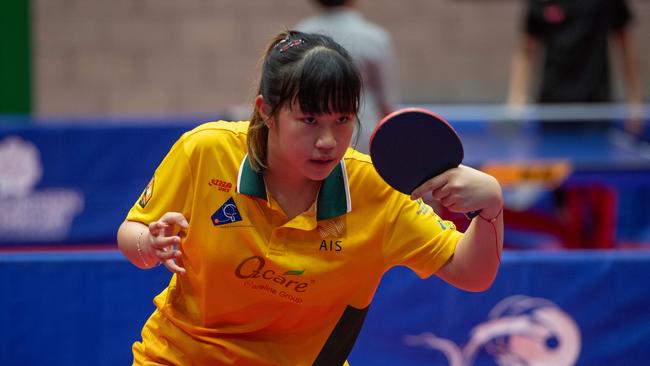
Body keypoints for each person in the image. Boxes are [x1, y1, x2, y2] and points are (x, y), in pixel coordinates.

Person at [117, 30, 503, 365]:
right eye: (309, 120)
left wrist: (489, 210)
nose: (327, 141)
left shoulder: (377, 191)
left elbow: (472, 273)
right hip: (179, 358)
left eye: (342, 120)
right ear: (266, 112)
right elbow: (132, 231)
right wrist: (148, 244)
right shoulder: (205, 152)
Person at [507, 0, 643, 132]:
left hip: (596, 110)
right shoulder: (541, 2)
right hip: (552, 110)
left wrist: (634, 102)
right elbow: (526, 53)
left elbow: (626, 49)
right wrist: (516, 98)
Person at [295, 0, 398, 153]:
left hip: (315, 139)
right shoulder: (375, 38)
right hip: (366, 140)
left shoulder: (301, 34)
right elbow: (386, 103)